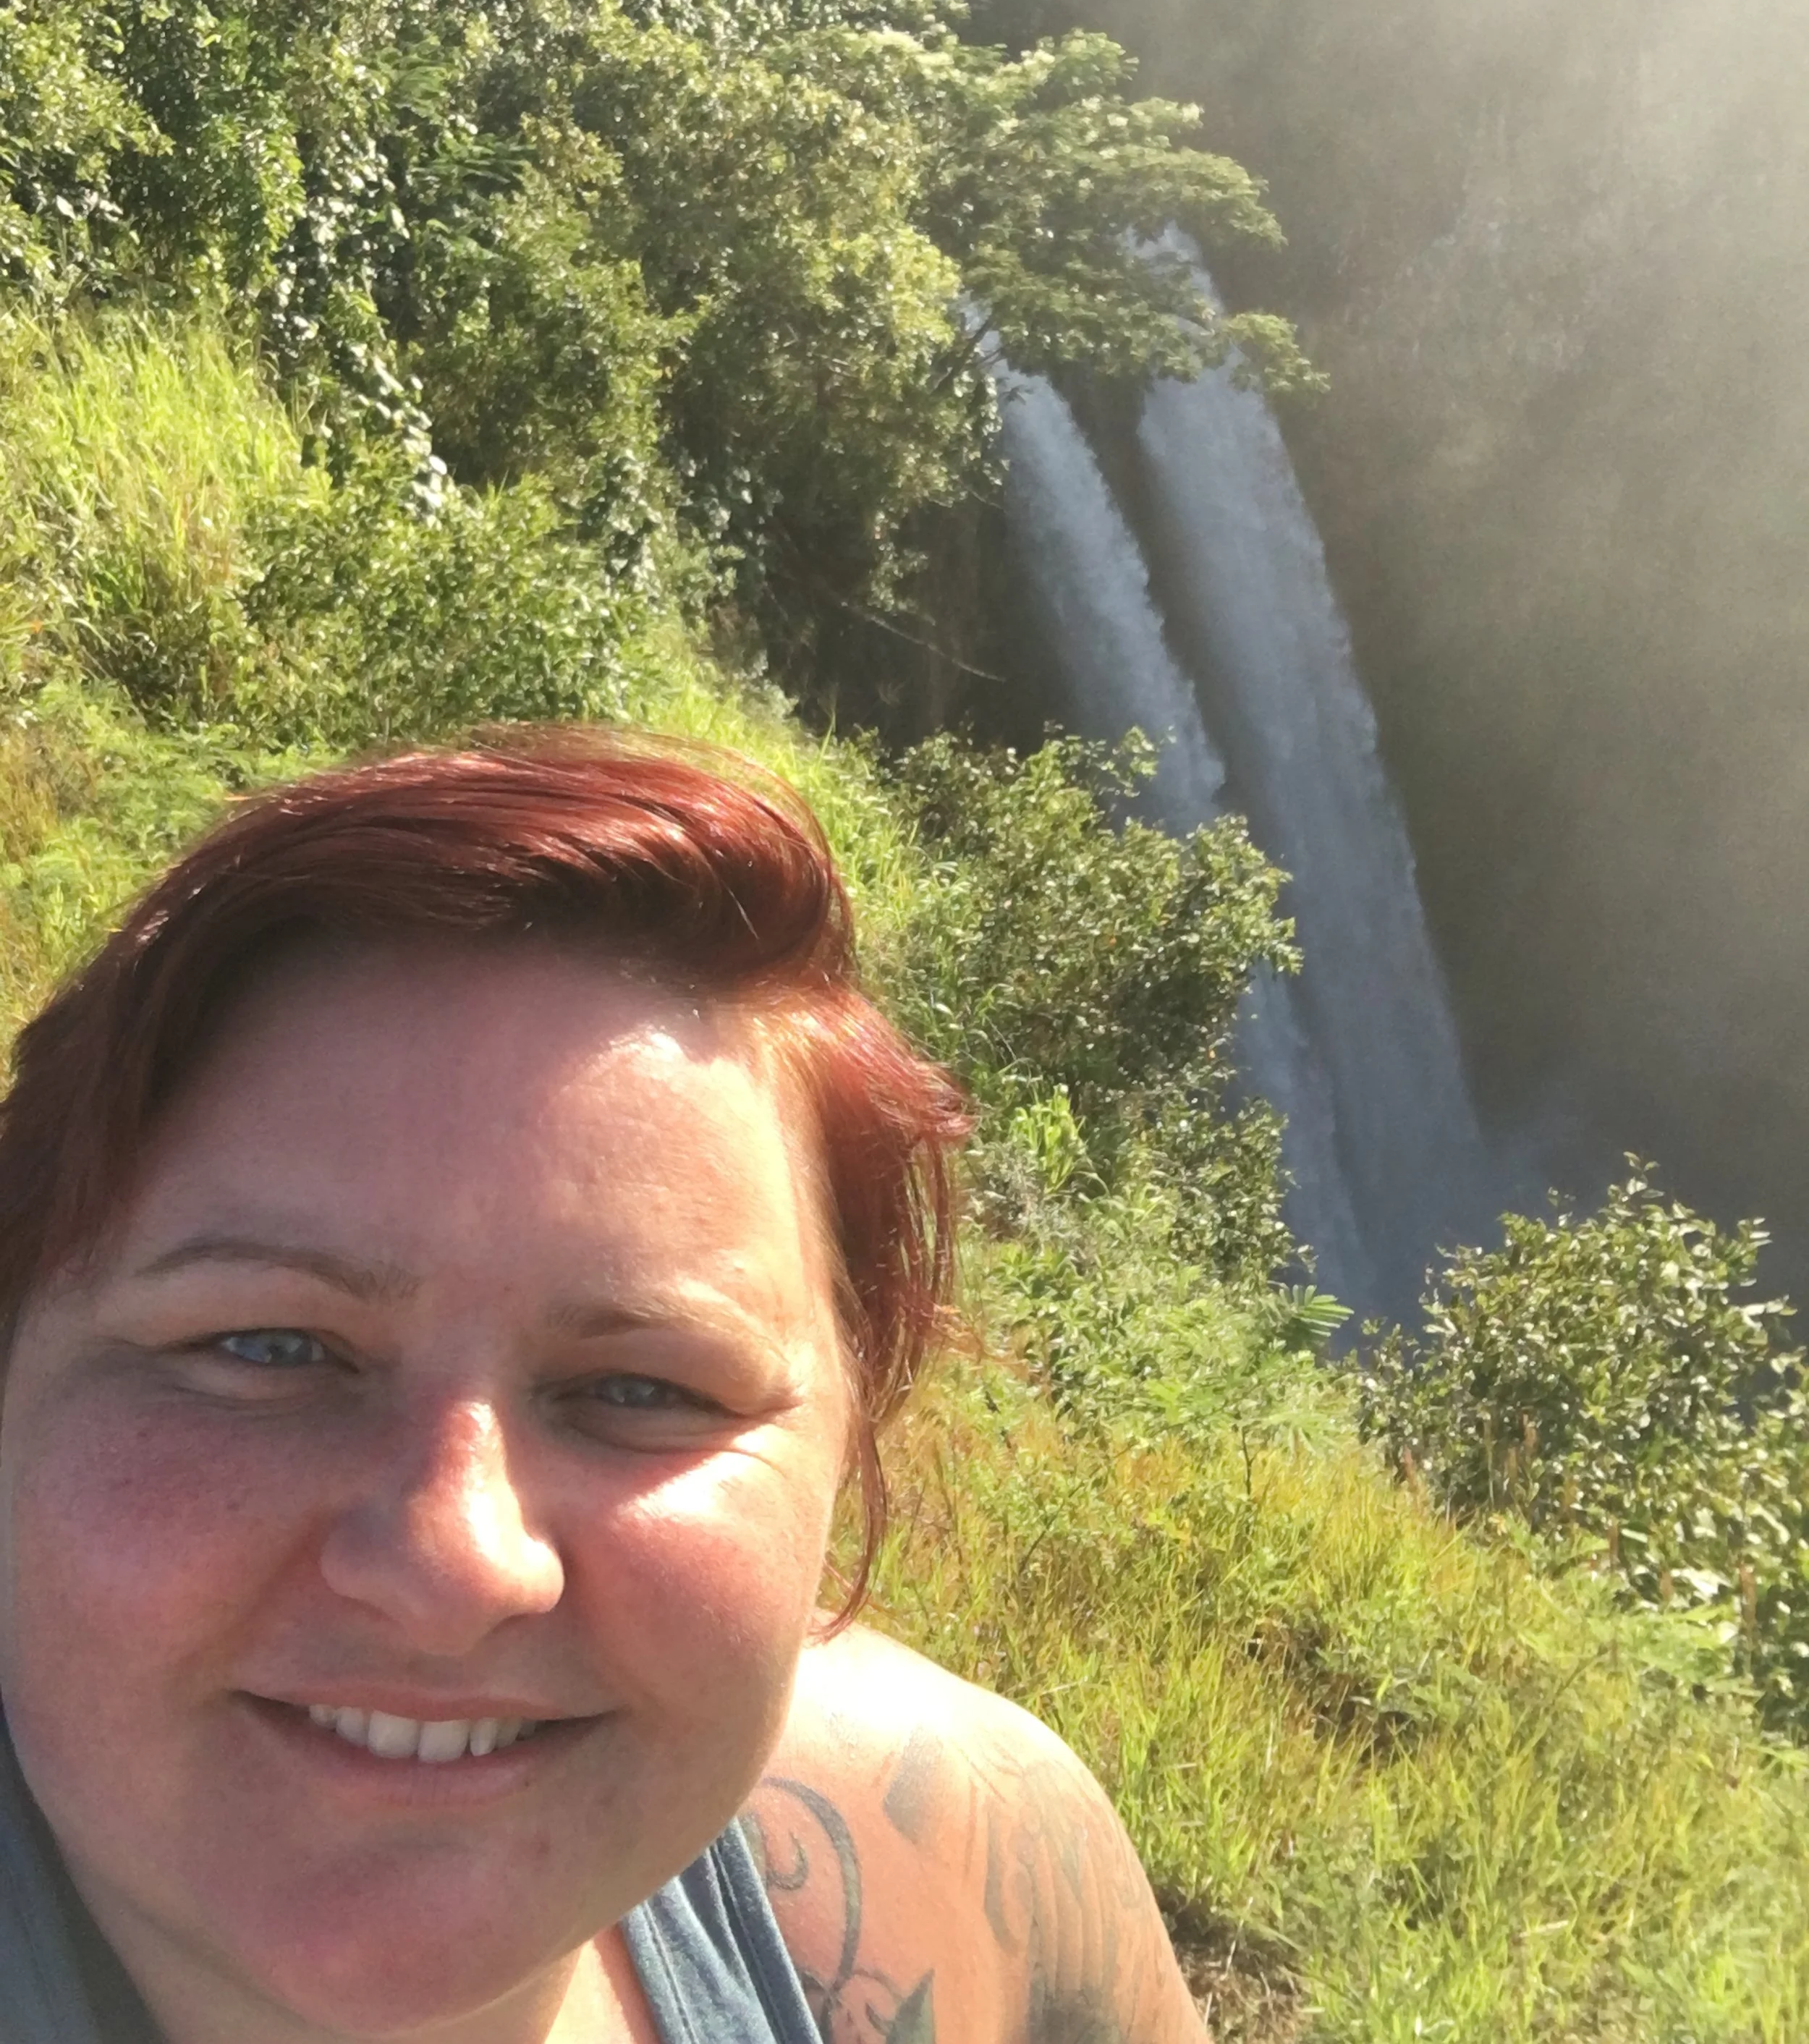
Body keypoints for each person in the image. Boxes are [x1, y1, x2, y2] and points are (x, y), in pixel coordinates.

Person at [0, 730, 1206, 2044]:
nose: (455, 1565)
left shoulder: (976, 1853)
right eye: (268, 1347)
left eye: (642, 1391)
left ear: (851, 1444)